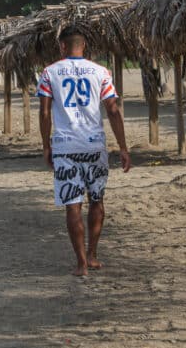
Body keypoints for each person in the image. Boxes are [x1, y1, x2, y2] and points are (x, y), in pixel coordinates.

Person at [37, 27, 131, 277]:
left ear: (62, 46)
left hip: (65, 147)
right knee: (97, 200)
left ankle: (80, 264)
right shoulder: (101, 72)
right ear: (85, 46)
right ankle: (93, 255)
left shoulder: (49, 73)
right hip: (94, 145)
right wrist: (123, 147)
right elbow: (112, 109)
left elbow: (45, 113)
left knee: (73, 204)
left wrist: (46, 145)